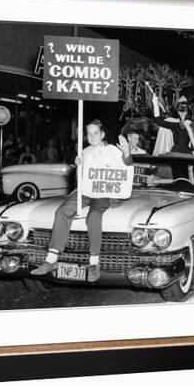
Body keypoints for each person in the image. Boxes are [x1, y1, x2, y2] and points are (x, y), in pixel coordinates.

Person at [31, 120, 132, 282]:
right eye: (89, 133)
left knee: (93, 216)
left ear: (102, 134)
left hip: (104, 193)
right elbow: (81, 179)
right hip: (85, 191)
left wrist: (126, 151)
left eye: (96, 133)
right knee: (62, 211)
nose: (92, 136)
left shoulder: (112, 150)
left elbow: (127, 166)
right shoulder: (84, 152)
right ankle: (51, 259)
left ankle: (94, 263)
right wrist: (79, 166)